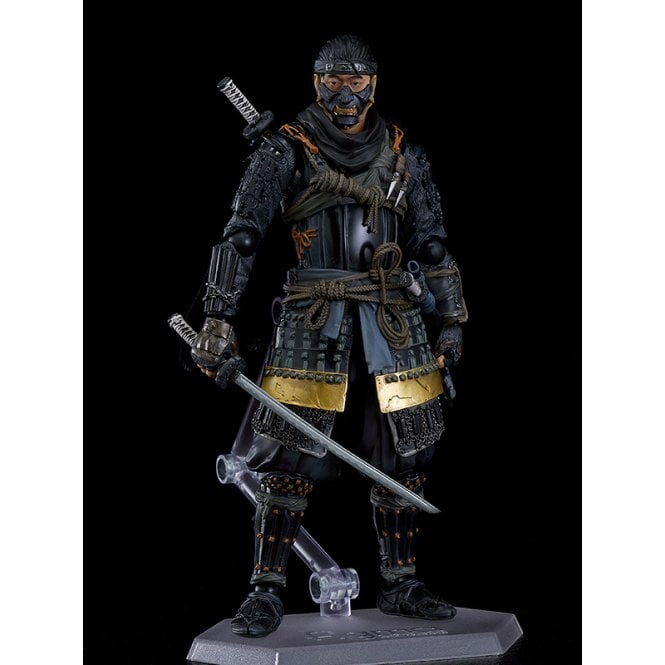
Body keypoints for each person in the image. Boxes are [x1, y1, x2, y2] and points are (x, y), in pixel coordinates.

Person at [190, 35, 468, 638]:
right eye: (333, 81)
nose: (346, 95)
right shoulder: (285, 150)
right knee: (289, 456)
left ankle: (401, 582)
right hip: (314, 318)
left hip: (394, 316)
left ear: (375, 83)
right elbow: (242, 235)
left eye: (357, 82)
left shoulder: (403, 155)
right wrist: (217, 316)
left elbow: (431, 242)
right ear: (316, 82)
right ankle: (266, 589)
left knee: (405, 453)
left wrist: (452, 320)